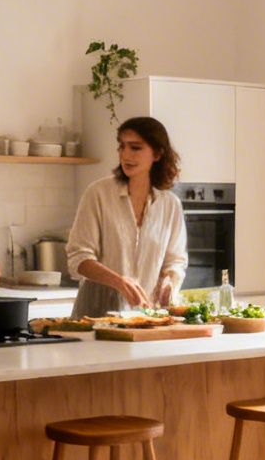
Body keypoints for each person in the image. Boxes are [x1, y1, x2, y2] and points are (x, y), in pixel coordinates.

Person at [66, 116, 187, 318]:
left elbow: (175, 261)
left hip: (145, 316)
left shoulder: (170, 205)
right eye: (122, 147)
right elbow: (79, 258)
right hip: (95, 315)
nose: (126, 154)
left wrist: (168, 281)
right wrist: (119, 282)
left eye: (135, 147)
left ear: (157, 154)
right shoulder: (98, 193)